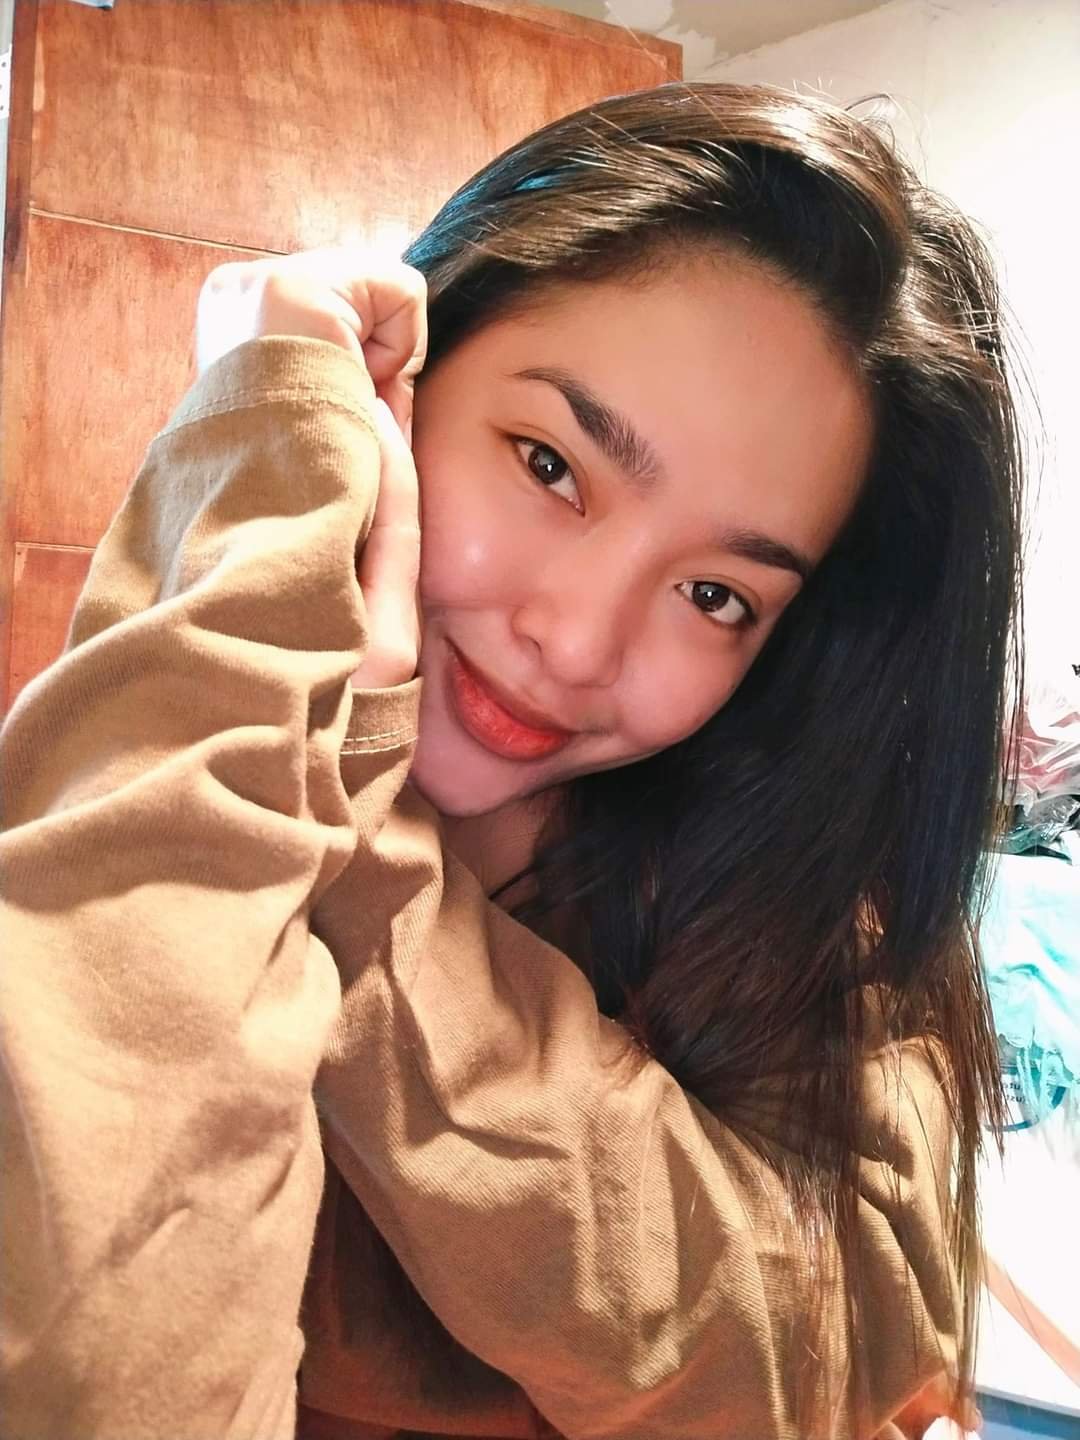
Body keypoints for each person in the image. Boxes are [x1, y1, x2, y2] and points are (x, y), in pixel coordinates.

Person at [0, 82, 1022, 1439]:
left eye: (717, 595)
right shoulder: (149, 750)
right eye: (550, 465)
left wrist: (367, 853)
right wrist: (263, 487)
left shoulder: (800, 919)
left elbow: (812, 1363)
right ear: (398, 395)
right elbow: (87, 1346)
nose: (578, 642)